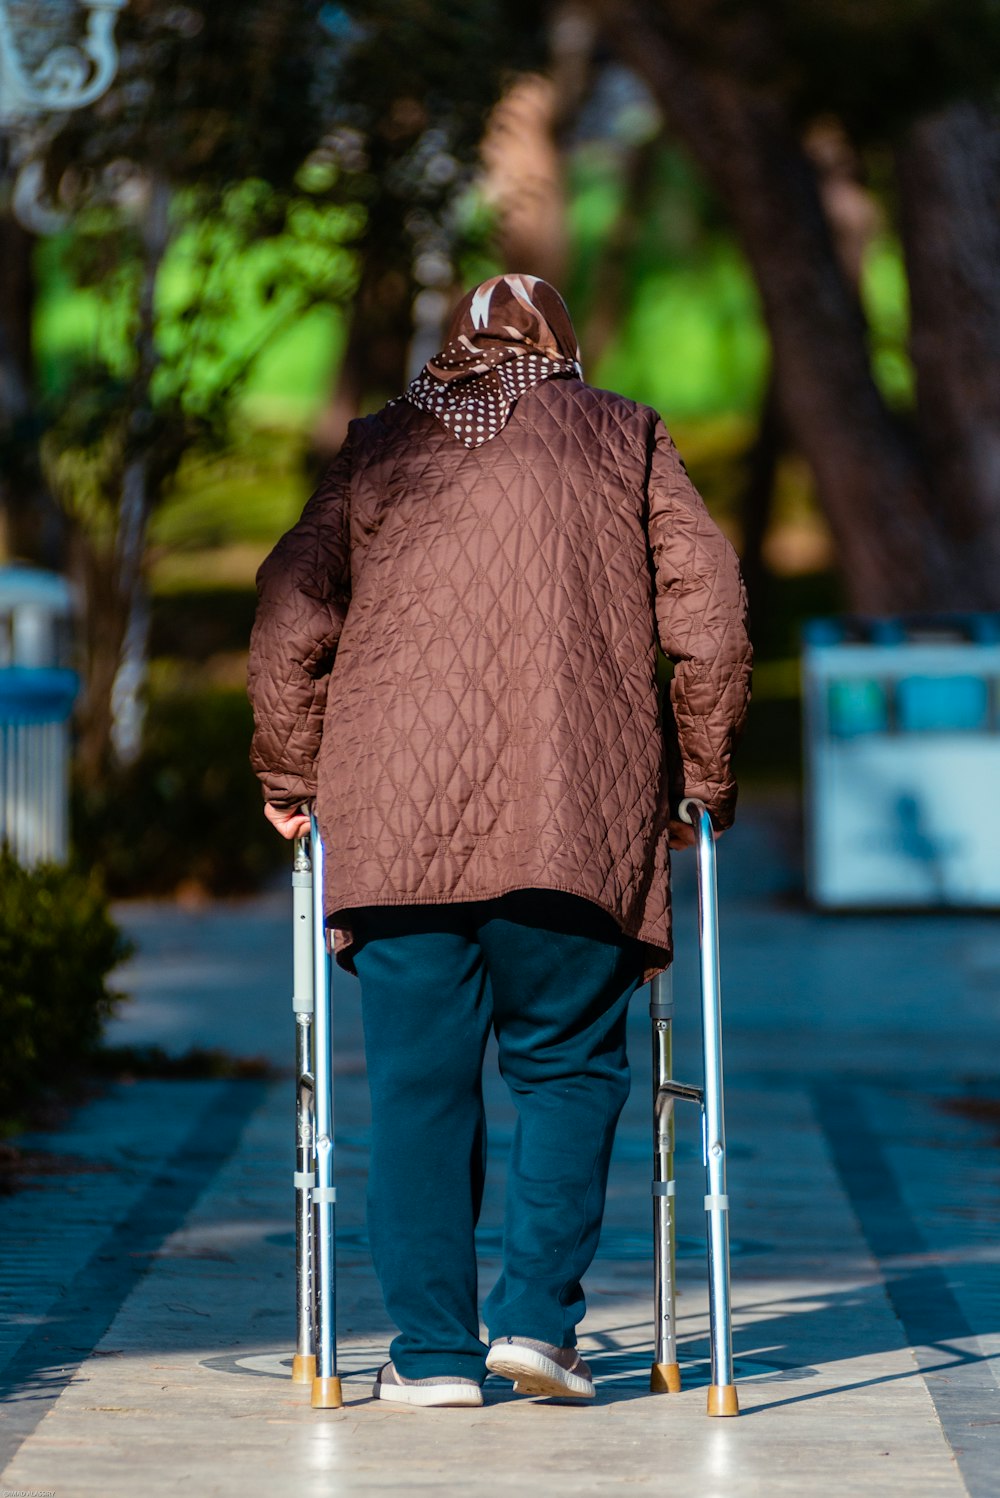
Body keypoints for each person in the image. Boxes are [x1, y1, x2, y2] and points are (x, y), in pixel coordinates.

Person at [247, 273, 752, 1408]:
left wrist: (289, 768)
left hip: (393, 822)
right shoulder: (625, 434)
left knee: (419, 1088)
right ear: (562, 348)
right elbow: (708, 604)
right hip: (577, 808)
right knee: (568, 1066)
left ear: (452, 347)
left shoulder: (384, 442)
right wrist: (702, 776)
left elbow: (292, 602)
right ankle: (534, 1326)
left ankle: (428, 1356)